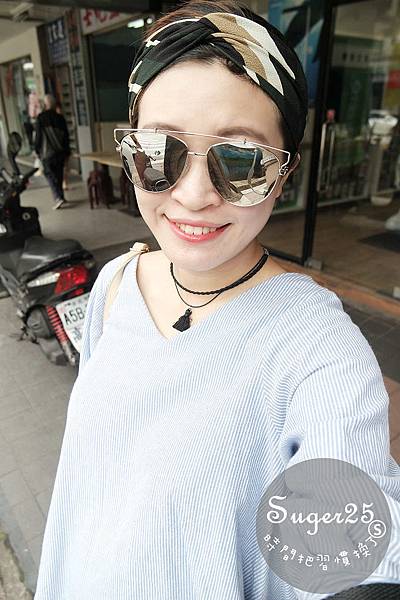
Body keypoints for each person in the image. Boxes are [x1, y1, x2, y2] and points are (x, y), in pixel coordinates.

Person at [34, 2, 400, 599]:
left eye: (242, 160)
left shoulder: (319, 349)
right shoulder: (115, 286)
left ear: (283, 175)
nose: (194, 194)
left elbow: (349, 551)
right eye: (160, 150)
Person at [34, 94, 70, 209]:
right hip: (60, 152)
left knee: (49, 175)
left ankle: (58, 197)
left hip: (47, 153)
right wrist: (67, 152)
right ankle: (61, 196)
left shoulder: (41, 118)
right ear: (54, 105)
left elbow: (38, 137)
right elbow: (66, 137)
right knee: (59, 175)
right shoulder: (60, 118)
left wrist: (36, 150)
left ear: (45, 105)